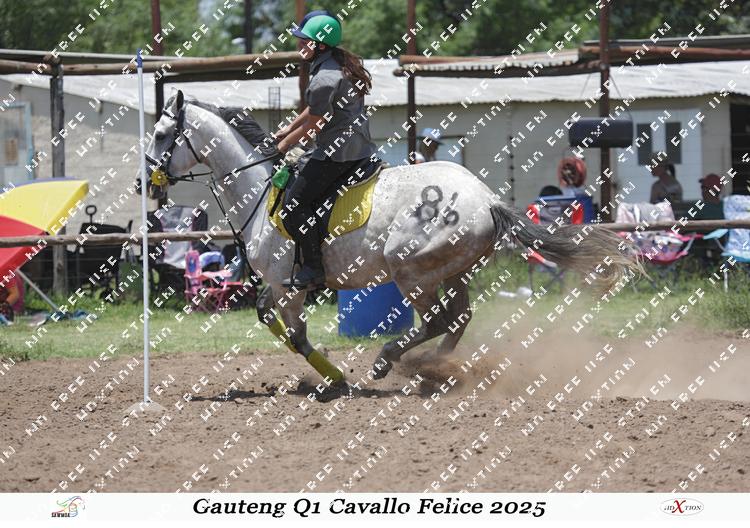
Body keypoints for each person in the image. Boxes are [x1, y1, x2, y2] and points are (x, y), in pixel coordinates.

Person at [274, 13, 378, 289]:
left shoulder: (323, 78)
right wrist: (288, 129)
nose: (299, 44)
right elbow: (314, 110)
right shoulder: (337, 65)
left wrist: (283, 146)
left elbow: (316, 123)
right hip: (360, 148)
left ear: (320, 45)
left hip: (336, 154)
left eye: (304, 41)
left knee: (293, 205)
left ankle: (313, 269)